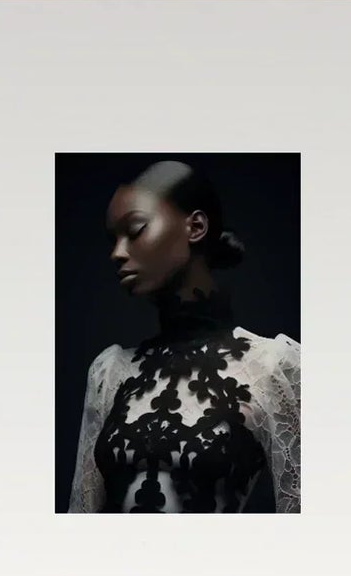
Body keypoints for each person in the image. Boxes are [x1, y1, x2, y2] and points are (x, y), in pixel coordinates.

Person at [67, 160, 300, 514]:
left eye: (136, 229)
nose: (117, 252)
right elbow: (79, 520)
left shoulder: (272, 366)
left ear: (196, 226)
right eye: (113, 239)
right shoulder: (109, 371)